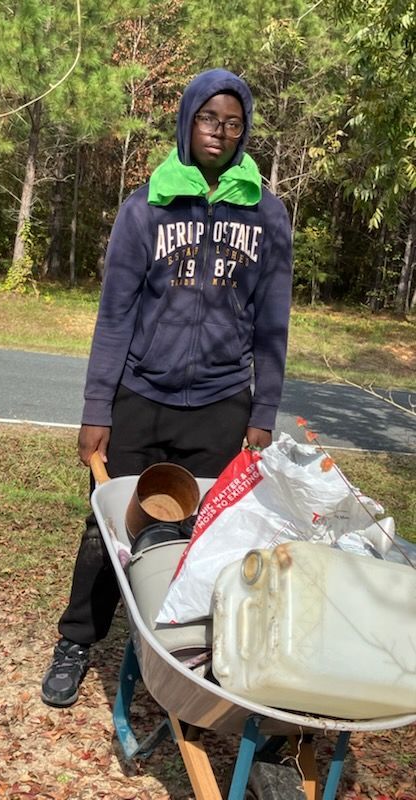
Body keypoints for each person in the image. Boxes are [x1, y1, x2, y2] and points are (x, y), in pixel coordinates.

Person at [41, 68, 293, 707]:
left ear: (245, 132)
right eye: (209, 119)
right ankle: (76, 641)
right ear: (187, 121)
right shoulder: (145, 207)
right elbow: (114, 316)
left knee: (203, 540)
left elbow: (273, 322)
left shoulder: (266, 214)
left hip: (222, 403)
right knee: (110, 529)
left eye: (233, 123)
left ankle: (183, 658)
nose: (220, 132)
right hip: (141, 397)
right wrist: (97, 409)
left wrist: (262, 411)